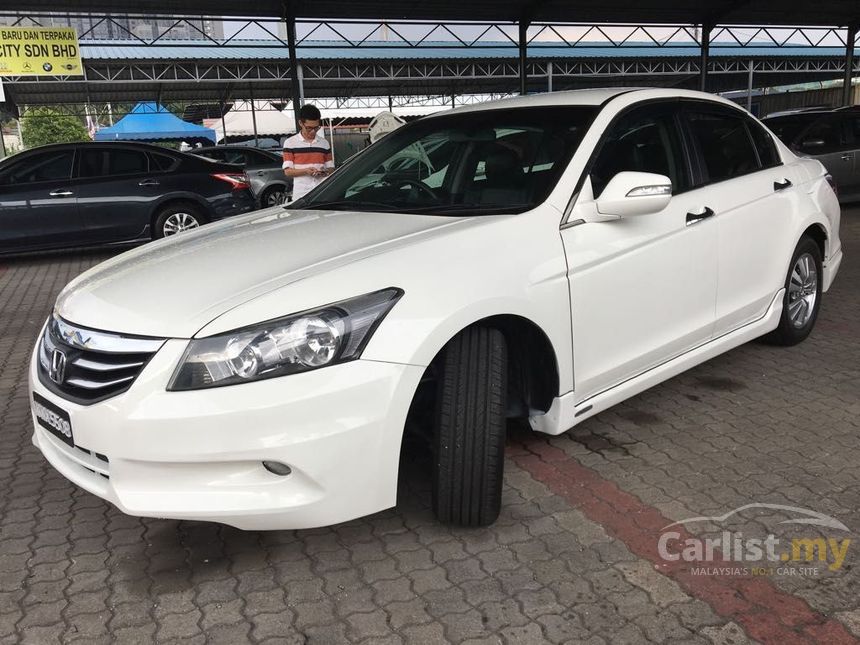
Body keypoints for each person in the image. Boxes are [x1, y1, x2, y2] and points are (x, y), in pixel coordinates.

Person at [282, 104, 334, 202]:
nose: (313, 132)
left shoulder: (324, 143)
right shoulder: (290, 143)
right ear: (300, 123)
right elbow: (288, 172)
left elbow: (331, 169)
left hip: (322, 193)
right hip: (301, 195)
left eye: (316, 128)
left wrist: (324, 172)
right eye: (309, 128)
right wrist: (306, 171)